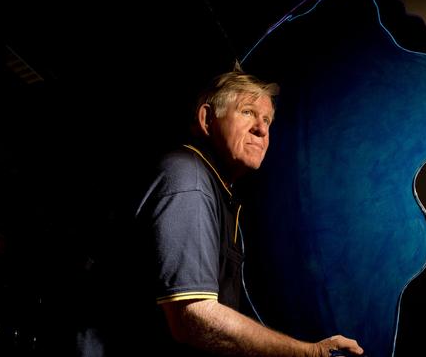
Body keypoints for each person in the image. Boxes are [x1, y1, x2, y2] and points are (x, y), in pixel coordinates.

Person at [127, 68, 364, 357]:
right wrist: (309, 353)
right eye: (247, 112)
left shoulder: (221, 193)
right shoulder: (189, 180)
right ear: (207, 119)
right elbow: (194, 319)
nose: (262, 130)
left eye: (267, 120)